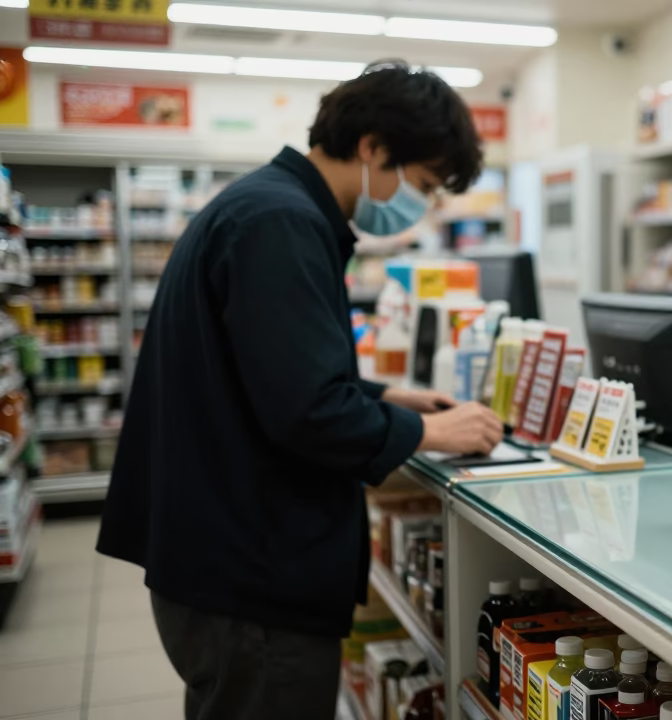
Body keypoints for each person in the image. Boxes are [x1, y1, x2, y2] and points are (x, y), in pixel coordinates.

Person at [96, 63, 503, 719]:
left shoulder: (267, 204)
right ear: (372, 147)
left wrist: (382, 397)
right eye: (423, 184)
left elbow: (263, 372)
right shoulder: (280, 222)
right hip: (251, 581)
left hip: (224, 561)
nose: (421, 205)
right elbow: (308, 411)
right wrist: (429, 432)